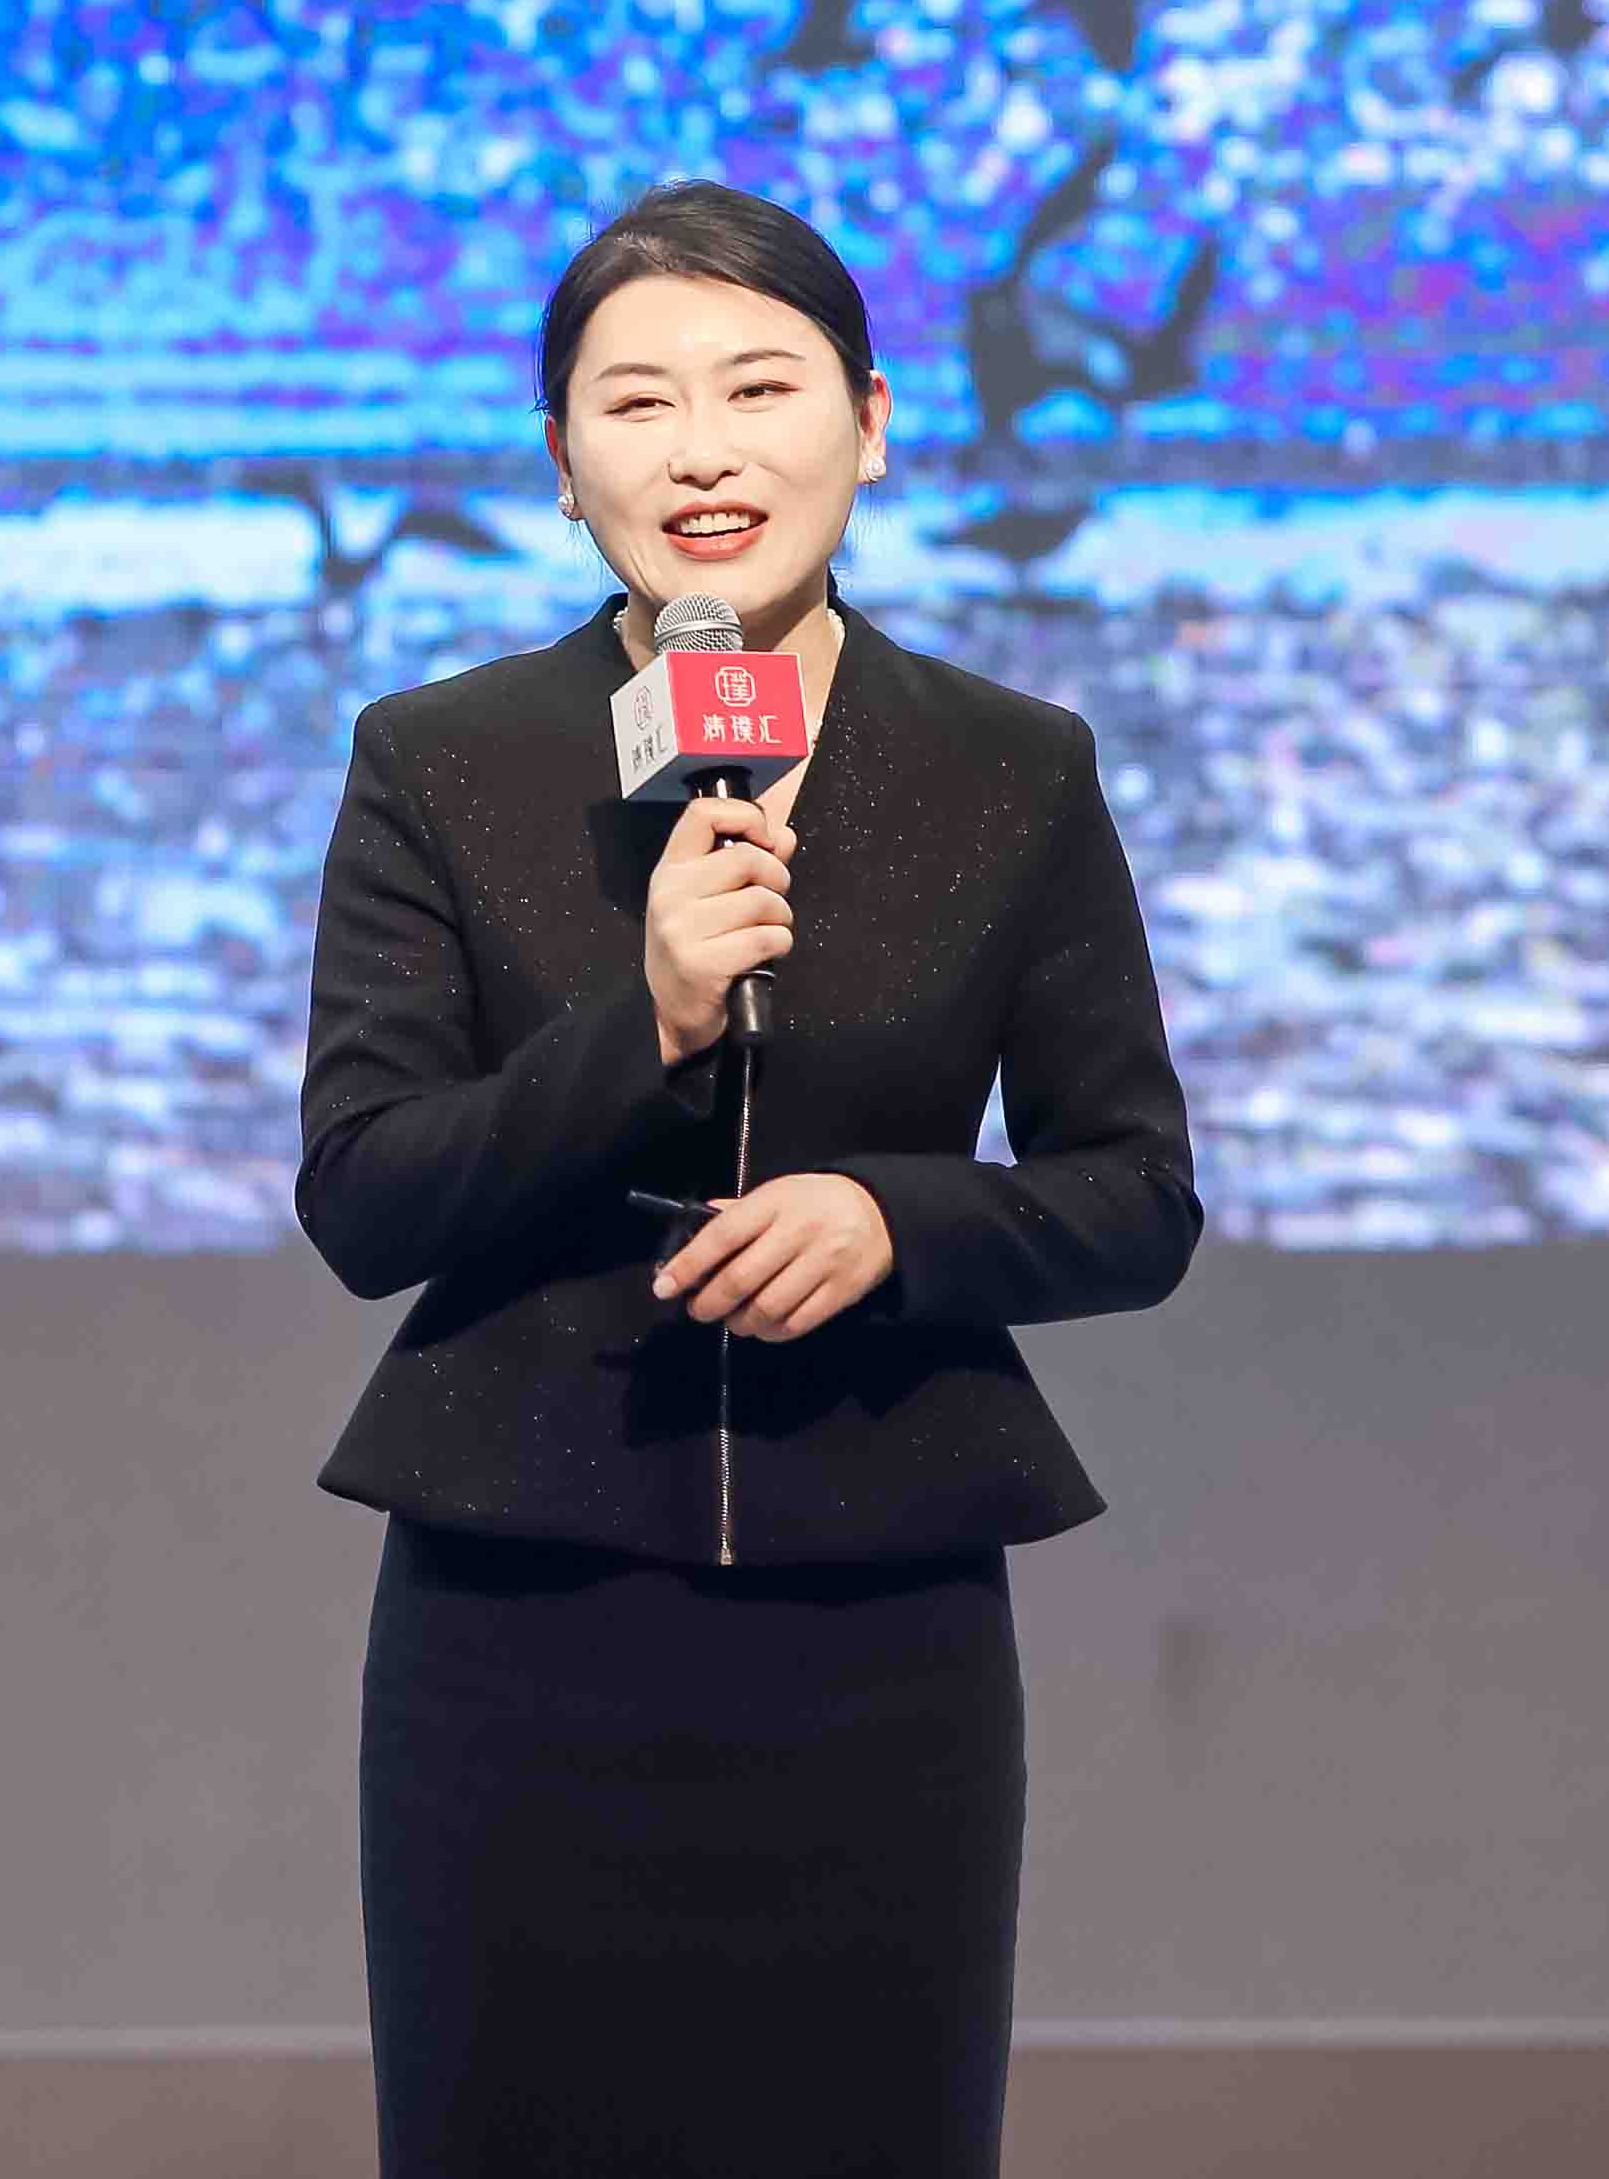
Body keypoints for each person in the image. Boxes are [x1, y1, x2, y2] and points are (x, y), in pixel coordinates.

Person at [298, 177, 1204, 2178]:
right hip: (519, 1630)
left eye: (759, 388)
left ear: (870, 425)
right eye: (636, 404)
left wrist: (897, 1217)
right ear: (562, 464)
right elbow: (365, 1193)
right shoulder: (439, 759)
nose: (702, 452)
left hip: (879, 1635)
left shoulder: (1011, 767)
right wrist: (644, 1025)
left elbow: (1134, 1193)